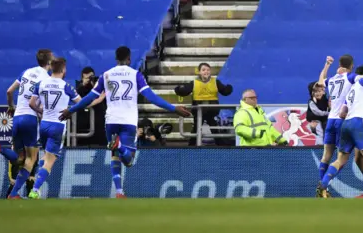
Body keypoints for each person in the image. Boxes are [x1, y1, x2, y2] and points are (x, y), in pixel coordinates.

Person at [59, 46, 191, 198]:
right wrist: (173, 108)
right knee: (128, 160)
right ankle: (120, 146)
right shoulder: (135, 75)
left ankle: (119, 191)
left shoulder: (106, 75)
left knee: (114, 156)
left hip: (111, 121)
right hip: (128, 121)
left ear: (116, 59)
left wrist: (72, 109)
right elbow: (151, 97)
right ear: (129, 59)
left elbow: (90, 98)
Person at [318, 55, 363, 199]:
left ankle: (323, 184)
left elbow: (343, 112)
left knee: (350, 158)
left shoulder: (360, 86)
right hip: (360, 123)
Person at [0, 49, 53, 198]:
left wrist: (11, 106)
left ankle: (1, 149)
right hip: (31, 119)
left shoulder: (26, 72)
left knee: (19, 158)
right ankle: (14, 193)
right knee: (31, 158)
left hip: (17, 118)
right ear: (49, 62)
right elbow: (40, 104)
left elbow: (9, 91)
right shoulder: (46, 79)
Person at [26, 57, 81, 199]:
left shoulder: (40, 84)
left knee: (45, 156)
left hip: (44, 124)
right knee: (50, 161)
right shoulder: (66, 86)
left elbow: (31, 103)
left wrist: (41, 111)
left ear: (52, 68)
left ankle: (36, 183)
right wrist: (70, 111)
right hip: (58, 125)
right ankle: (35, 190)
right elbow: (80, 103)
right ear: (63, 69)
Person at [314, 54, 358, 195]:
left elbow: (320, 82)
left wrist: (327, 65)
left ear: (340, 64)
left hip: (330, 120)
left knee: (326, 155)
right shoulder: (350, 77)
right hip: (341, 120)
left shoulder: (332, 79)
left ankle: (323, 190)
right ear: (351, 66)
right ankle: (324, 184)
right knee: (341, 158)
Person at [174, 62, 233, 146]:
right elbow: (185, 91)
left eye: (208, 70)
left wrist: (229, 88)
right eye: (204, 70)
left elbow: (224, 91)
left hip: (212, 111)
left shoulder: (215, 82)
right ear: (199, 72)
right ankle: (191, 147)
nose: (206, 72)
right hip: (198, 112)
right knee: (196, 130)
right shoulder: (194, 83)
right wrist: (179, 90)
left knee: (215, 129)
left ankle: (221, 146)